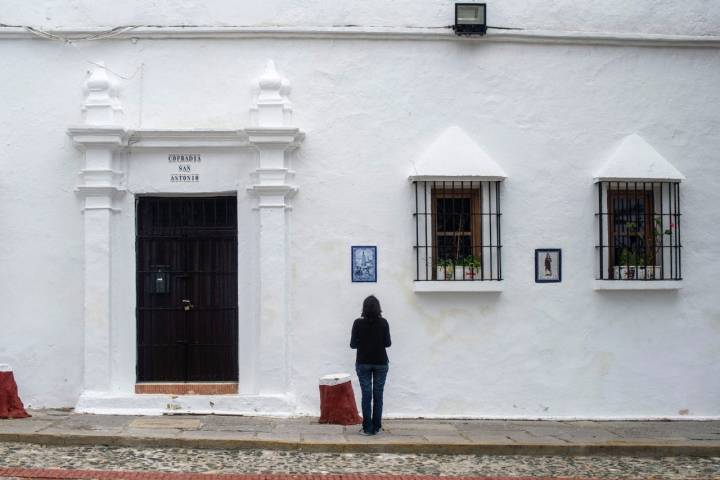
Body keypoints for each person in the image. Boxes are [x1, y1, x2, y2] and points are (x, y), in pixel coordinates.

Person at [350, 295, 391, 435]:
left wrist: (364, 341)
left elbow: (352, 344)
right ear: (378, 308)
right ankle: (377, 427)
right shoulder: (384, 322)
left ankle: (367, 428)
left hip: (363, 363)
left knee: (366, 396)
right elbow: (388, 343)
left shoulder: (357, 323)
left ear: (364, 308)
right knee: (378, 396)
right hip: (381, 363)